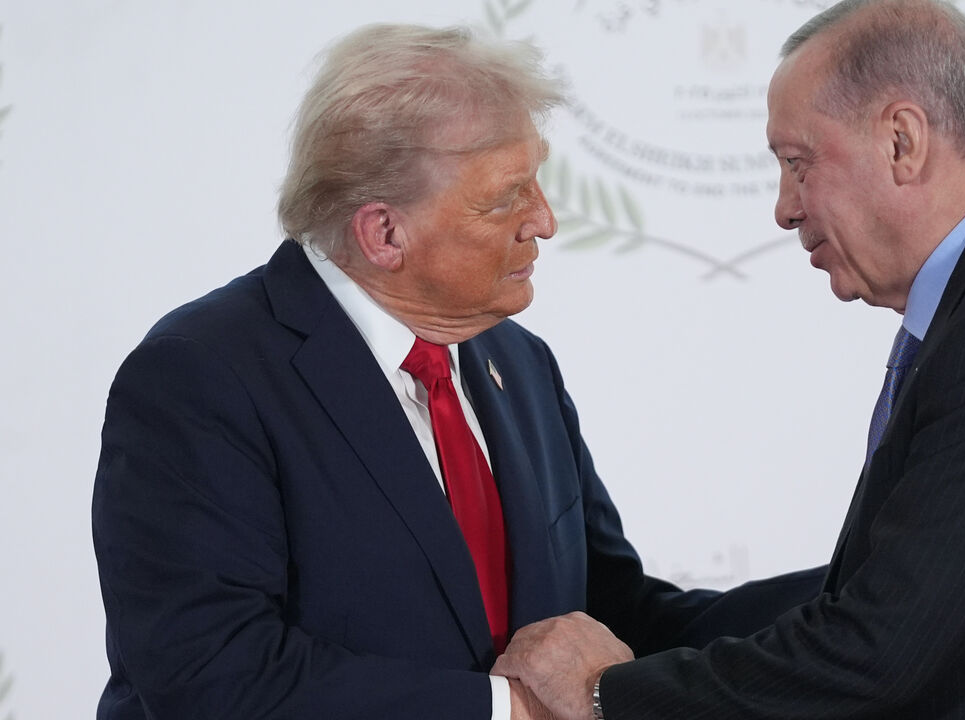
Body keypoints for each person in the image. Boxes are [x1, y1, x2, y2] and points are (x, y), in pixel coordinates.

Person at [491, 1, 965, 718]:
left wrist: (603, 694)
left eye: (798, 163)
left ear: (903, 141)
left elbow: (875, 651)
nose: (784, 207)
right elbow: (886, 596)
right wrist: (652, 638)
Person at [90, 25, 821, 720]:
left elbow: (612, 616)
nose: (544, 220)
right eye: (505, 197)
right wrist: (508, 711)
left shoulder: (517, 361)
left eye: (536, 184)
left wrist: (859, 593)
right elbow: (214, 676)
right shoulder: (202, 376)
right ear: (383, 233)